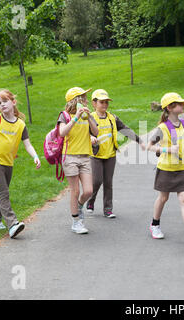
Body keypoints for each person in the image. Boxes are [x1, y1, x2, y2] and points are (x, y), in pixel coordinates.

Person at [0, 89, 41, 239]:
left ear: (13, 102)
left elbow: (28, 145)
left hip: (8, 163)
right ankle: (12, 224)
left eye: (5, 101)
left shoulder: (20, 125)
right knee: (4, 192)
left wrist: (35, 156)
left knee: (2, 192)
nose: (2, 105)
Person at [147, 92, 184, 244]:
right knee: (163, 198)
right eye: (179, 104)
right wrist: (167, 150)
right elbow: (149, 146)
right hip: (166, 168)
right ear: (170, 107)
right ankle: (154, 225)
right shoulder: (163, 127)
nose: (182, 106)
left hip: (181, 167)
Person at [86, 89, 146, 218]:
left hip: (110, 155)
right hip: (95, 155)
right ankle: (91, 201)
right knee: (96, 181)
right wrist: (90, 138)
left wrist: (139, 140)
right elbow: (83, 133)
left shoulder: (112, 118)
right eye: (102, 102)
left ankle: (108, 209)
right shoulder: (89, 117)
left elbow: (124, 129)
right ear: (94, 103)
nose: (105, 105)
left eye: (106, 102)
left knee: (108, 182)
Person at [58, 87, 99, 234]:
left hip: (85, 156)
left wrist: (88, 118)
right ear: (77, 100)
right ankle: (76, 222)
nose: (87, 100)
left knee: (88, 191)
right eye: (84, 97)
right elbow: (62, 133)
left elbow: (96, 132)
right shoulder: (64, 115)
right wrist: (76, 117)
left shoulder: (87, 115)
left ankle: (80, 205)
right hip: (70, 156)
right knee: (75, 191)